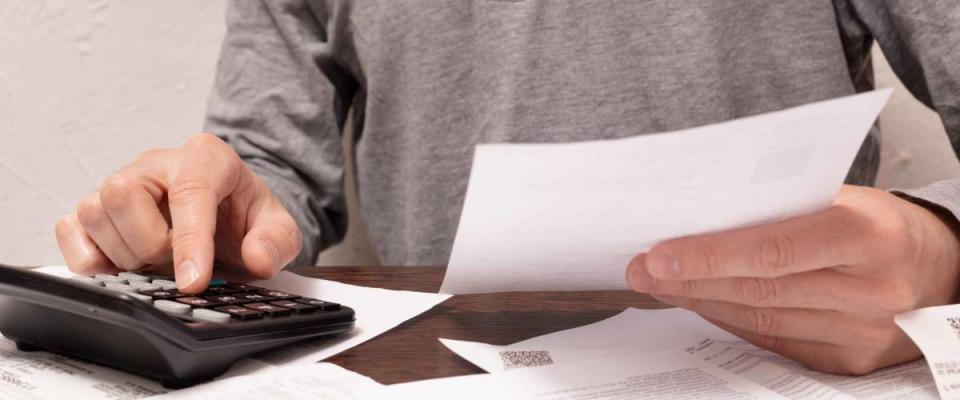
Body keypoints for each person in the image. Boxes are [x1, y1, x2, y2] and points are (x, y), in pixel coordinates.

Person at [55, 0, 959, 375]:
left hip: (786, 360)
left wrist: (944, 250)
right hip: (443, 374)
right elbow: (271, 172)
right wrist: (209, 222)